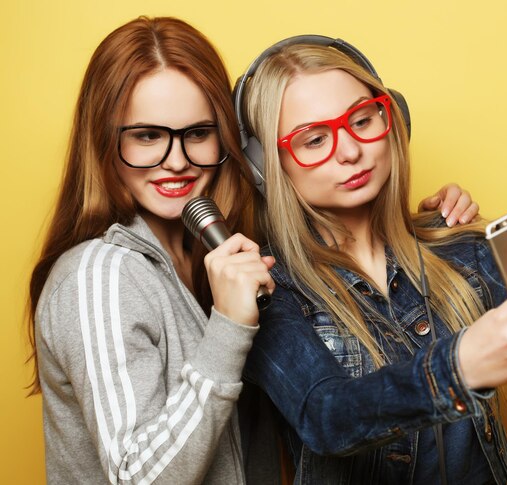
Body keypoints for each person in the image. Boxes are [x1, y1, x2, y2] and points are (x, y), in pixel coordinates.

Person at [26, 17, 476, 484]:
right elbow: (138, 478)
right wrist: (228, 328)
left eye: (198, 133)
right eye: (147, 136)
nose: (177, 161)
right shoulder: (99, 276)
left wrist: (430, 229)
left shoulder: (219, 261)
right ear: (102, 142)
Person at [239, 41, 507, 484]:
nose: (350, 150)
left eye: (361, 119)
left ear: (392, 119)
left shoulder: (455, 242)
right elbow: (327, 417)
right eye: (314, 139)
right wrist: (458, 368)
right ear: (267, 167)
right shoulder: (265, 287)